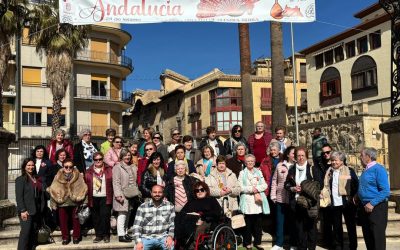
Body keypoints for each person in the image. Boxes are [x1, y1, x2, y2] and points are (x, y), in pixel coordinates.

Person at [322, 151, 358, 250]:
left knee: (350, 227)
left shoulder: (349, 170)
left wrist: (353, 197)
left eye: (336, 160)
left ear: (341, 161)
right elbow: (326, 186)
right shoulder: (329, 172)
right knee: (337, 227)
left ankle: (353, 246)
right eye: (332, 160)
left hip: (347, 203)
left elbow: (355, 184)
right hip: (334, 203)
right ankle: (338, 246)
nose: (333, 162)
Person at [285, 147, 319, 250]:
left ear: (306, 156)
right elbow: (286, 185)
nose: (300, 158)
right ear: (295, 157)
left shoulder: (312, 168)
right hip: (296, 203)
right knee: (300, 230)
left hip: (310, 203)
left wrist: (306, 188)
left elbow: (319, 184)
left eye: (302, 155)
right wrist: (293, 188)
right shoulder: (291, 169)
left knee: (311, 228)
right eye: (298, 155)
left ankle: (312, 247)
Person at [48, 159, 87, 245]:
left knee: (76, 220)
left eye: (70, 167)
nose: (68, 168)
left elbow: (84, 188)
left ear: (73, 167)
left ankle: (76, 237)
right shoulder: (57, 176)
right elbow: (53, 189)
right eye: (66, 167)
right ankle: (65, 238)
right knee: (63, 221)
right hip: (62, 202)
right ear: (63, 166)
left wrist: (85, 201)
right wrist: (53, 203)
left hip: (75, 201)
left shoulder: (78, 175)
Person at [357, 147, 390, 250]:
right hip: (365, 207)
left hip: (377, 208)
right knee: (368, 238)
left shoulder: (378, 169)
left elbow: (385, 191)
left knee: (377, 239)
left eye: (361, 155)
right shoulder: (366, 169)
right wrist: (357, 195)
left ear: (368, 157)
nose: (359, 157)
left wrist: (372, 203)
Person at [175, 182, 223, 248]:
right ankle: (181, 244)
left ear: (206, 191)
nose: (199, 192)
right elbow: (183, 212)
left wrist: (203, 215)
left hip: (207, 220)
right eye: (197, 191)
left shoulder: (211, 200)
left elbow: (217, 212)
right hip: (191, 221)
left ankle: (193, 246)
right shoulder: (191, 202)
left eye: (202, 190)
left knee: (200, 227)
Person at [238, 154, 269, 250]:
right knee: (248, 224)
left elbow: (264, 185)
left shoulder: (258, 172)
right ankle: (247, 243)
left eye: (252, 161)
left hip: (258, 201)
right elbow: (240, 187)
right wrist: (251, 189)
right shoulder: (242, 173)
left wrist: (256, 189)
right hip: (247, 201)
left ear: (254, 162)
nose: (250, 163)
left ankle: (258, 242)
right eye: (248, 161)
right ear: (245, 163)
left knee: (258, 224)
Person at [15, 158, 46, 250]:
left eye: (32, 165)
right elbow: (19, 197)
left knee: (33, 233)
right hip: (26, 211)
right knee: (25, 233)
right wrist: (22, 210)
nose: (31, 167)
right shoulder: (20, 179)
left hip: (37, 210)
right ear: (24, 167)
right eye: (28, 165)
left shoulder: (36, 178)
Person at [132, 185, 175, 250]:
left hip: (163, 237)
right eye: (155, 192)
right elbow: (137, 226)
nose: (157, 194)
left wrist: (170, 236)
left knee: (170, 247)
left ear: (163, 193)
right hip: (146, 238)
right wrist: (138, 242)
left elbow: (172, 224)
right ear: (151, 193)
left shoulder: (170, 206)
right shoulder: (142, 207)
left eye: (159, 192)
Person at [84, 152, 113, 243]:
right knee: (96, 217)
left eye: (100, 159)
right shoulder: (89, 171)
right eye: (96, 160)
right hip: (93, 196)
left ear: (103, 159)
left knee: (105, 216)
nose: (98, 161)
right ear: (93, 160)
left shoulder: (109, 169)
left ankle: (106, 235)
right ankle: (98, 235)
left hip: (105, 196)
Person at [112, 148, 140, 243]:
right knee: (122, 214)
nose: (127, 157)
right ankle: (121, 235)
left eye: (129, 155)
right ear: (121, 157)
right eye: (125, 155)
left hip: (131, 194)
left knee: (128, 214)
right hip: (122, 194)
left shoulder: (133, 166)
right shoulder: (117, 167)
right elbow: (116, 182)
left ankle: (125, 232)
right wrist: (118, 195)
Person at [271, 146, 296, 249]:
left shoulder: (298, 166)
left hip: (293, 198)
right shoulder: (280, 165)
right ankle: (278, 244)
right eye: (293, 153)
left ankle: (293, 243)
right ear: (288, 154)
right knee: (280, 221)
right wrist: (273, 194)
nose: (295, 155)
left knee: (293, 222)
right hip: (280, 196)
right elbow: (274, 180)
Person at [315, 143, 334, 247]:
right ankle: (327, 242)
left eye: (328, 152)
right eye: (323, 153)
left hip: (336, 195)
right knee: (325, 220)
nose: (325, 154)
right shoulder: (319, 163)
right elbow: (318, 179)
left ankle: (336, 242)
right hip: (324, 195)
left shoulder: (338, 162)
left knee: (335, 221)